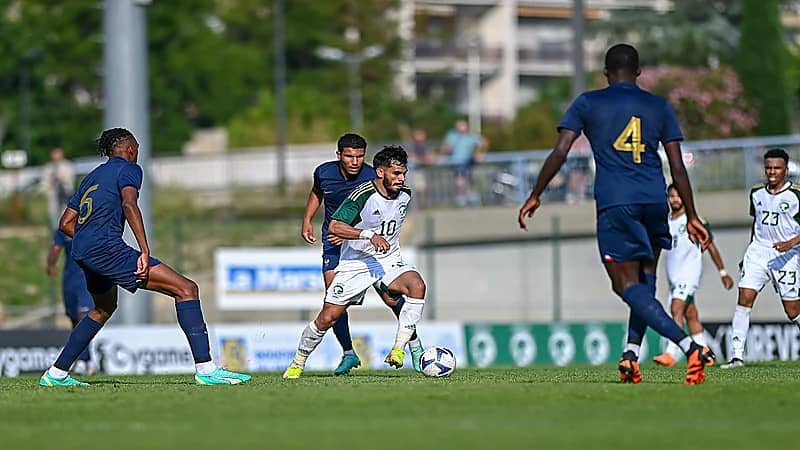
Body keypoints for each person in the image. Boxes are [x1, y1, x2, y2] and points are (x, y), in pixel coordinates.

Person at [517, 43, 715, 385]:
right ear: (638, 72)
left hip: (616, 202)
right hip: (655, 200)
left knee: (625, 286)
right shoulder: (658, 105)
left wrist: (536, 194)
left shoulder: (588, 102)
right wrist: (693, 215)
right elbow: (678, 168)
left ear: (606, 72)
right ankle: (630, 355)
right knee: (645, 281)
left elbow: (560, 152)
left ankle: (689, 347)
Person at [40, 127, 250, 387]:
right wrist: (144, 249)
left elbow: (65, 222)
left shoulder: (91, 176)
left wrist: (88, 240)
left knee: (102, 309)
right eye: (136, 150)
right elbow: (129, 204)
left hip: (83, 251)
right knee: (186, 289)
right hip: (106, 249)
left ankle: (56, 374)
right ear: (130, 150)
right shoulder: (129, 169)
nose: (137, 154)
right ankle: (206, 370)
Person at [285, 145, 426, 379]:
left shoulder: (405, 195)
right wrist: (368, 235)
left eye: (403, 174)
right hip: (356, 262)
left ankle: (401, 350)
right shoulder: (362, 194)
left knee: (416, 286)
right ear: (380, 173)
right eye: (396, 174)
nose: (401, 179)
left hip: (387, 259)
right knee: (327, 317)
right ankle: (298, 362)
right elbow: (335, 226)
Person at [721, 148, 800, 369]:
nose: (772, 172)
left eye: (777, 168)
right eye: (768, 168)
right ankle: (736, 357)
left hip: (787, 254)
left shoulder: (796, 194)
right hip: (758, 251)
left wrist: (791, 243)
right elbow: (756, 224)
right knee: (744, 298)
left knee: (792, 310)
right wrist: (749, 252)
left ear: (786, 169)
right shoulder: (756, 192)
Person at [652, 184, 735, 367]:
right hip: (673, 276)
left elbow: (710, 246)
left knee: (676, 309)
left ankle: (671, 353)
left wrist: (723, 272)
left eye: (678, 196)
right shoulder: (666, 222)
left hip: (689, 273)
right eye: (671, 196)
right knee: (691, 315)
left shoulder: (694, 221)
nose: (675, 200)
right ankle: (705, 352)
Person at [46, 229, 98, 375]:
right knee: (75, 320)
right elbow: (55, 247)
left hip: (86, 279)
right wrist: (50, 264)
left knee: (84, 317)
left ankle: (82, 361)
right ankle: (88, 359)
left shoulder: (90, 225)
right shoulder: (64, 229)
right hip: (69, 279)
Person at [441, 120, 487, 207]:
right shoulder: (452, 136)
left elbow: (483, 142)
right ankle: (462, 199)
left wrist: (479, 153)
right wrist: (446, 151)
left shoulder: (472, 136)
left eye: (463, 126)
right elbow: (445, 147)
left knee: (469, 181)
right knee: (460, 182)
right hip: (457, 165)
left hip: (469, 164)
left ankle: (471, 198)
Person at [41, 147, 75, 228]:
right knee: (53, 215)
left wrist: (61, 176)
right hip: (54, 194)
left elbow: (70, 180)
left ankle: (66, 235)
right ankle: (56, 234)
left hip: (66, 194)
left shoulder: (67, 165)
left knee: (65, 214)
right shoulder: (48, 167)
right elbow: (45, 182)